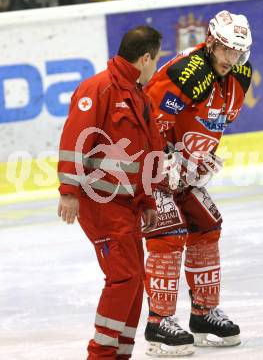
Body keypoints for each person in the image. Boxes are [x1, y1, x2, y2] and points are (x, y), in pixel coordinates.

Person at [142, 10, 253, 356]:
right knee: (168, 233)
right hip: (150, 168)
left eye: (238, 53)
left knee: (207, 225)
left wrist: (199, 157)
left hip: (182, 172)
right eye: (225, 51)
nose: (231, 59)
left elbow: (211, 120)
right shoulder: (187, 73)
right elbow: (149, 118)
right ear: (210, 43)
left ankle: (203, 313)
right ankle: (158, 322)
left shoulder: (239, 76)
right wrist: (165, 158)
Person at [57, 26, 163, 360]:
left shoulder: (137, 94)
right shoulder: (98, 88)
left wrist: (146, 199)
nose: (155, 67)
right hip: (99, 201)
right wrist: (69, 191)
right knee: (124, 277)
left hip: (128, 204)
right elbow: (75, 139)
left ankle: (119, 353)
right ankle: (101, 355)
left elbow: (147, 151)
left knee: (134, 280)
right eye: (155, 60)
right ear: (145, 58)